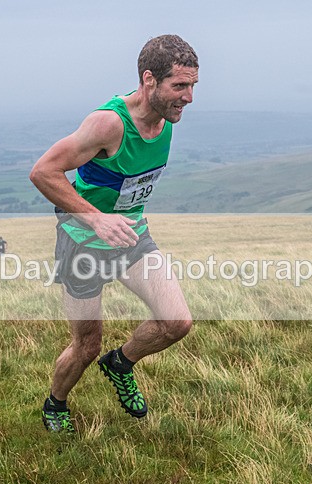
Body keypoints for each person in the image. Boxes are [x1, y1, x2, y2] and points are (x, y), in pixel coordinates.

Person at [29, 34, 198, 433]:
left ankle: (120, 363)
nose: (188, 98)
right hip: (83, 242)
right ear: (149, 80)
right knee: (85, 345)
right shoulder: (108, 124)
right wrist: (96, 218)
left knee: (178, 322)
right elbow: (43, 172)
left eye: (192, 86)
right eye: (179, 86)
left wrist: (117, 220)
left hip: (131, 236)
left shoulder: (167, 119)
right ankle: (56, 404)